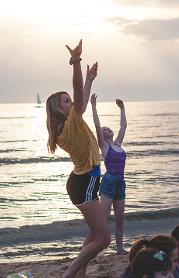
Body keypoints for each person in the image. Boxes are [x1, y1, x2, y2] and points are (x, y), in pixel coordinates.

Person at [46, 40, 110, 277]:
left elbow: (80, 99)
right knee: (103, 239)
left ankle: (79, 274)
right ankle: (70, 273)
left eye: (70, 101)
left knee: (94, 233)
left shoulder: (69, 123)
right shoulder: (68, 126)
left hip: (84, 182)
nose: (71, 103)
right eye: (66, 101)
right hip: (84, 184)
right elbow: (79, 96)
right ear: (58, 109)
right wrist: (76, 64)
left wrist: (90, 79)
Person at [91, 93, 127, 254]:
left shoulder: (118, 143)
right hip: (109, 181)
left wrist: (122, 108)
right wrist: (93, 106)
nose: (107, 129)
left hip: (121, 182)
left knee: (119, 218)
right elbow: (97, 126)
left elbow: (123, 126)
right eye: (105, 130)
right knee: (103, 217)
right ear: (102, 136)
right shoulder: (104, 147)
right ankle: (95, 245)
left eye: (108, 128)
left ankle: (119, 248)